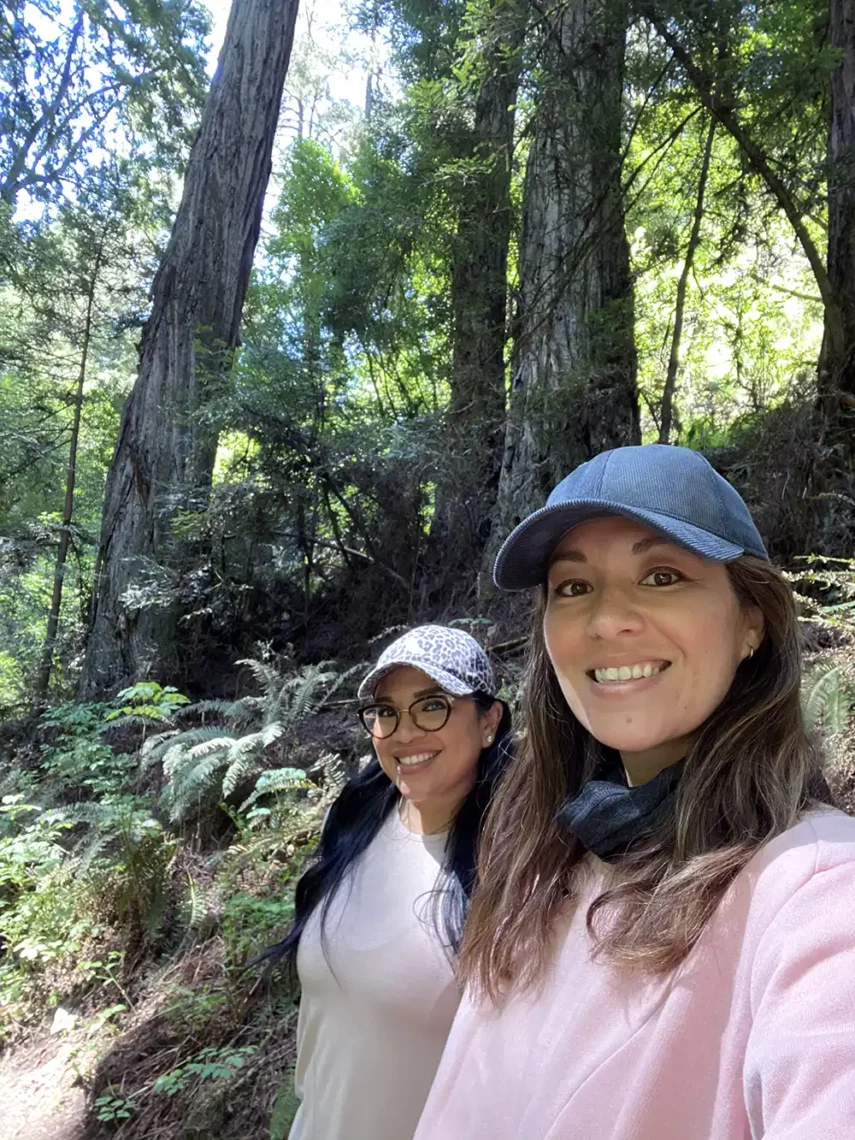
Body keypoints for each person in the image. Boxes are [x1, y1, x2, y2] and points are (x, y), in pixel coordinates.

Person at [414, 444, 855, 1140]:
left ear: (751, 622)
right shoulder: (541, 854)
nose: (605, 620)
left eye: (660, 575)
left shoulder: (815, 890)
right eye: (573, 586)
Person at [269, 625, 511, 1140]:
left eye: (431, 706)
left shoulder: (514, 869)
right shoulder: (359, 824)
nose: (403, 732)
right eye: (386, 711)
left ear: (488, 720)